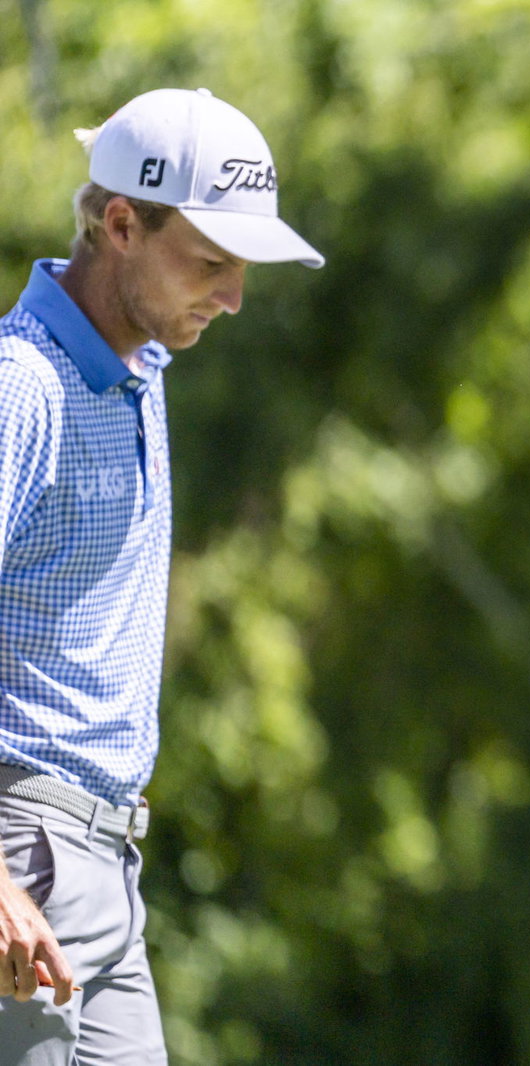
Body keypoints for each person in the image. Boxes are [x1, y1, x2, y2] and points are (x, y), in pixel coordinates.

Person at [0, 88, 322, 1064]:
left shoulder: (136, 361)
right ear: (122, 225)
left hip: (103, 863)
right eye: (211, 264)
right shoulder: (25, 385)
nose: (230, 298)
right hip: (24, 853)